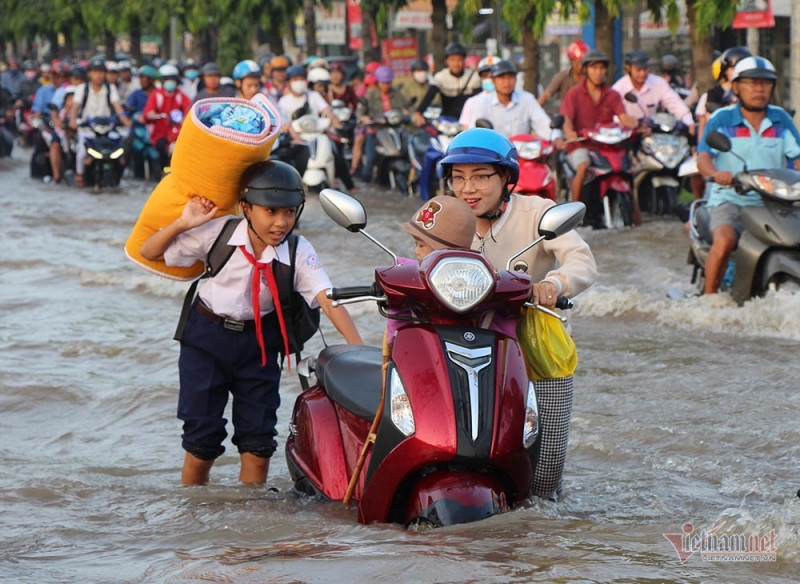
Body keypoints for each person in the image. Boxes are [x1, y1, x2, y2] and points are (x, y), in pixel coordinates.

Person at [139, 160, 364, 486]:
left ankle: (250, 525)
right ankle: (193, 520)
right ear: (245, 207)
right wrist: (183, 224)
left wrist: (357, 349)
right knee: (201, 444)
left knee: (258, 445)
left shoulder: (298, 250)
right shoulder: (219, 232)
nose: (281, 222)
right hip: (206, 340)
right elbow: (150, 251)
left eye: (289, 212)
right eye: (270, 211)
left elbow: (327, 298)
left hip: (259, 346)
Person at [439, 127, 597, 499]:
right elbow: (419, 259)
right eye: (458, 178)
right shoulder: (447, 217)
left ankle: (542, 519)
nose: (468, 189)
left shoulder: (538, 212)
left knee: (546, 469)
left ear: (507, 178)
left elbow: (581, 260)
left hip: (536, 347)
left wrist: (553, 285)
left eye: (480, 177)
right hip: (465, 345)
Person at [696, 56, 800, 295]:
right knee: (724, 241)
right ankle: (709, 302)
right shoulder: (722, 119)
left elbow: (798, 155)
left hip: (776, 202)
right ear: (736, 87)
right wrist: (716, 173)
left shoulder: (781, 119)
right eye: (752, 83)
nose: (759, 89)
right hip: (731, 200)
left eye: (765, 83)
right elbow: (703, 157)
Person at [557, 50, 638, 209]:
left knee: (628, 170)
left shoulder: (612, 94)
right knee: (583, 166)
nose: (598, 72)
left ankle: (636, 215)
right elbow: (566, 119)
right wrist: (569, 133)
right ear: (585, 70)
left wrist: (637, 124)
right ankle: (574, 212)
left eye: (602, 68)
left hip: (607, 147)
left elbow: (624, 118)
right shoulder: (574, 94)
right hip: (581, 145)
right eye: (594, 68)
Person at [277, 65, 354, 192]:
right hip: (298, 140)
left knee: (337, 155)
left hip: (319, 135)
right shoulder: (284, 101)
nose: (299, 82)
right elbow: (283, 122)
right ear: (289, 82)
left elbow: (327, 110)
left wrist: (335, 121)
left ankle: (350, 187)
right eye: (295, 79)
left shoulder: (313, 96)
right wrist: (292, 133)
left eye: (301, 78)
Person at [68, 57, 131, 188]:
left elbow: (117, 107)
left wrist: (125, 120)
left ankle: (118, 175)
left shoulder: (110, 88)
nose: (98, 75)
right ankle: (80, 176)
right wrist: (73, 121)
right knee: (81, 153)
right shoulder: (82, 89)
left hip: (107, 129)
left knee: (120, 151)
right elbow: (75, 108)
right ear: (89, 73)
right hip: (88, 130)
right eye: (95, 72)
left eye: (101, 72)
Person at [461, 60, 552, 139]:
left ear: (516, 79)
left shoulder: (527, 99)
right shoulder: (482, 102)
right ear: (493, 80)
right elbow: (474, 130)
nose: (506, 82)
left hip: (522, 153)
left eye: (510, 77)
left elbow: (542, 122)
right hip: (494, 154)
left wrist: (555, 137)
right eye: (501, 77)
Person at [354, 65, 411, 182]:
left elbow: (408, 106)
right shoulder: (370, 94)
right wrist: (363, 118)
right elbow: (360, 111)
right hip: (376, 131)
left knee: (406, 152)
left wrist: (411, 114)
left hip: (395, 131)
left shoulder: (397, 94)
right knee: (371, 158)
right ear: (378, 82)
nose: (386, 86)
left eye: (388, 83)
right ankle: (365, 179)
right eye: (383, 83)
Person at [611, 50, 694, 131]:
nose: (642, 73)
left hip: (652, 134)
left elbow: (675, 104)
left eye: (645, 69)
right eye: (638, 70)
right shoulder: (618, 89)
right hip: (628, 134)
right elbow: (614, 118)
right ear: (628, 69)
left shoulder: (659, 83)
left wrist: (688, 122)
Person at [413, 43, 481, 126]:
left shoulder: (473, 77)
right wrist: (419, 112)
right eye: (452, 60)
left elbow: (479, 99)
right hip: (446, 122)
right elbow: (429, 96)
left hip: (469, 122)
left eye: (459, 59)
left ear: (464, 60)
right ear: (447, 61)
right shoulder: (441, 77)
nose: (456, 63)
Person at [143, 63, 191, 176]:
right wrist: (155, 114)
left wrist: (185, 118)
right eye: (168, 79)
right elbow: (148, 113)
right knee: (161, 147)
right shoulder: (156, 95)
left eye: (173, 79)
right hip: (160, 133)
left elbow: (189, 109)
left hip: (177, 133)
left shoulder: (181, 96)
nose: (171, 82)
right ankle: (163, 171)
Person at [538, 40, 589, 109]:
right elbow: (547, 94)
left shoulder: (591, 78)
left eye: (583, 62)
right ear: (571, 61)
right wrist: (535, 108)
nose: (580, 66)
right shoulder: (563, 76)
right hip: (567, 114)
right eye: (577, 62)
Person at [458, 56, 499, 129]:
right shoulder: (472, 102)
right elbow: (465, 129)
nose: (489, 79)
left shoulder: (517, 101)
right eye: (485, 75)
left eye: (493, 75)